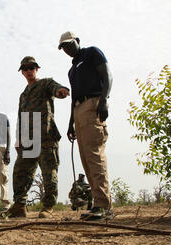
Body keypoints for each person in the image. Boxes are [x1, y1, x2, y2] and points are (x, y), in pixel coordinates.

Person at [2, 56, 70, 219]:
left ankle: (48, 207)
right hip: (28, 141)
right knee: (20, 172)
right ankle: (19, 206)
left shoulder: (45, 83)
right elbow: (21, 116)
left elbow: (56, 88)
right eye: (25, 68)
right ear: (22, 72)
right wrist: (18, 138)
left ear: (36, 69)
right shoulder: (23, 95)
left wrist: (61, 91)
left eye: (31, 67)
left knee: (49, 173)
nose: (28, 70)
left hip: (46, 137)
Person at [58, 31, 114, 221]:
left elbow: (107, 75)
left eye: (69, 44)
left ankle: (104, 206)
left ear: (77, 41)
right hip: (78, 111)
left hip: (93, 104)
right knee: (86, 159)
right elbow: (73, 97)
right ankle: (97, 204)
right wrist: (70, 124)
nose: (67, 49)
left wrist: (104, 100)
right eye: (63, 47)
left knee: (95, 155)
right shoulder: (72, 70)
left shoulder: (92, 53)